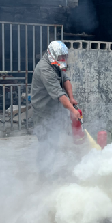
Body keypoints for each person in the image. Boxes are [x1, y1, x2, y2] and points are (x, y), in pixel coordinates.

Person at [31, 41, 80, 177]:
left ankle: (50, 169)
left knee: (54, 141)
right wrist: (72, 110)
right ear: (52, 54)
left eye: (64, 56)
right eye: (61, 57)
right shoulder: (44, 69)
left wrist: (72, 97)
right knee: (46, 144)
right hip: (43, 112)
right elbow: (59, 94)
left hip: (53, 110)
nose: (63, 60)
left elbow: (66, 79)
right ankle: (44, 175)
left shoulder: (56, 64)